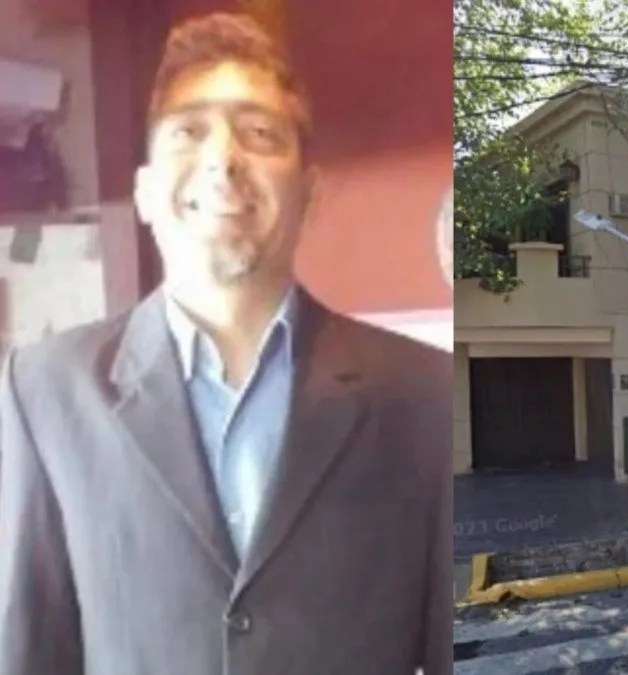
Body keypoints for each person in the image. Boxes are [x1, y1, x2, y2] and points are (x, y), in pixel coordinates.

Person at [0, 12, 451, 675]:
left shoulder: (425, 395)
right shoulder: (44, 391)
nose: (222, 159)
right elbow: (30, 652)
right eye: (188, 131)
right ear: (145, 191)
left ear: (309, 193)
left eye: (259, 133)